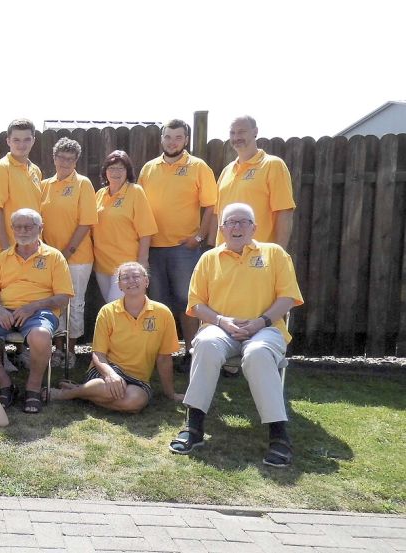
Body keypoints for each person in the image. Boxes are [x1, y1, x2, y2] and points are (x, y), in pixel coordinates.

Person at [169, 203, 304, 467]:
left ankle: (279, 436)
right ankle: (193, 427)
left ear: (254, 227)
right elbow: (196, 304)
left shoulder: (274, 254)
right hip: (220, 328)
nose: (236, 227)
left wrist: (260, 322)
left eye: (243, 222)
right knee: (205, 345)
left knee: (258, 353)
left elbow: (288, 297)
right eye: (230, 222)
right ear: (221, 229)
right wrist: (222, 321)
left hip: (265, 329)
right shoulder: (209, 259)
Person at [0, 208, 74, 414]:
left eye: (28, 226)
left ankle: (33, 388)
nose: (23, 231)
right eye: (18, 227)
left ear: (40, 228)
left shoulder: (54, 257)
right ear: (12, 229)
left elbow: (64, 297)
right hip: (5, 311)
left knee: (41, 336)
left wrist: (33, 306)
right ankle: (7, 385)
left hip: (39, 312)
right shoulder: (3, 257)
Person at [50, 262, 181, 413]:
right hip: (106, 371)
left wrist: (170, 393)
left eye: (136, 276)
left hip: (138, 379)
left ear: (146, 281)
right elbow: (99, 354)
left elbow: (164, 358)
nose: (131, 281)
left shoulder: (163, 313)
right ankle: (66, 394)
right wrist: (111, 375)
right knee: (107, 389)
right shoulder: (107, 311)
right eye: (125, 277)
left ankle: (81, 392)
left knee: (135, 403)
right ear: (119, 285)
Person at [139, 119, 217, 356]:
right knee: (158, 304)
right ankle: (162, 354)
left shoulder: (198, 166)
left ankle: (192, 353)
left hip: (184, 248)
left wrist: (200, 237)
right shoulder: (148, 168)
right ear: (161, 139)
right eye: (168, 137)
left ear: (186, 140)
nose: (172, 142)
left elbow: (211, 206)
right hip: (153, 247)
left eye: (178, 137)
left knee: (187, 302)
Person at [40, 137, 97, 364]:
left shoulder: (83, 184)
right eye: (61, 157)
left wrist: (66, 252)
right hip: (50, 259)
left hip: (77, 258)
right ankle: (58, 349)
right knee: (55, 304)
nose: (65, 162)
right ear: (54, 159)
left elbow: (86, 222)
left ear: (76, 161)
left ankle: (71, 351)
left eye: (70, 159)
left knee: (75, 304)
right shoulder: (44, 185)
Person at [215, 116, 296, 249]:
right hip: (225, 257)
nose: (236, 137)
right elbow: (218, 216)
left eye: (241, 132)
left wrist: (278, 255)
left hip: (258, 257)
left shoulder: (273, 165)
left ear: (255, 132)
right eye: (232, 133)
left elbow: (284, 212)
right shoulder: (226, 171)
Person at [91, 150, 158, 302]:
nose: (116, 172)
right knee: (112, 308)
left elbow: (146, 231)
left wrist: (142, 261)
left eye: (120, 168)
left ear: (127, 171)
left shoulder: (135, 192)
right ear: (105, 171)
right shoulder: (100, 194)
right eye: (111, 168)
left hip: (126, 265)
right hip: (102, 264)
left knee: (119, 306)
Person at [0, 118, 43, 261]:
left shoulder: (36, 170)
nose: (22, 145)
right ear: (8, 141)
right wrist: (7, 249)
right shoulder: (1, 168)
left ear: (33, 141)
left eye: (26, 139)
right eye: (16, 140)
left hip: (32, 249)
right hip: (8, 251)